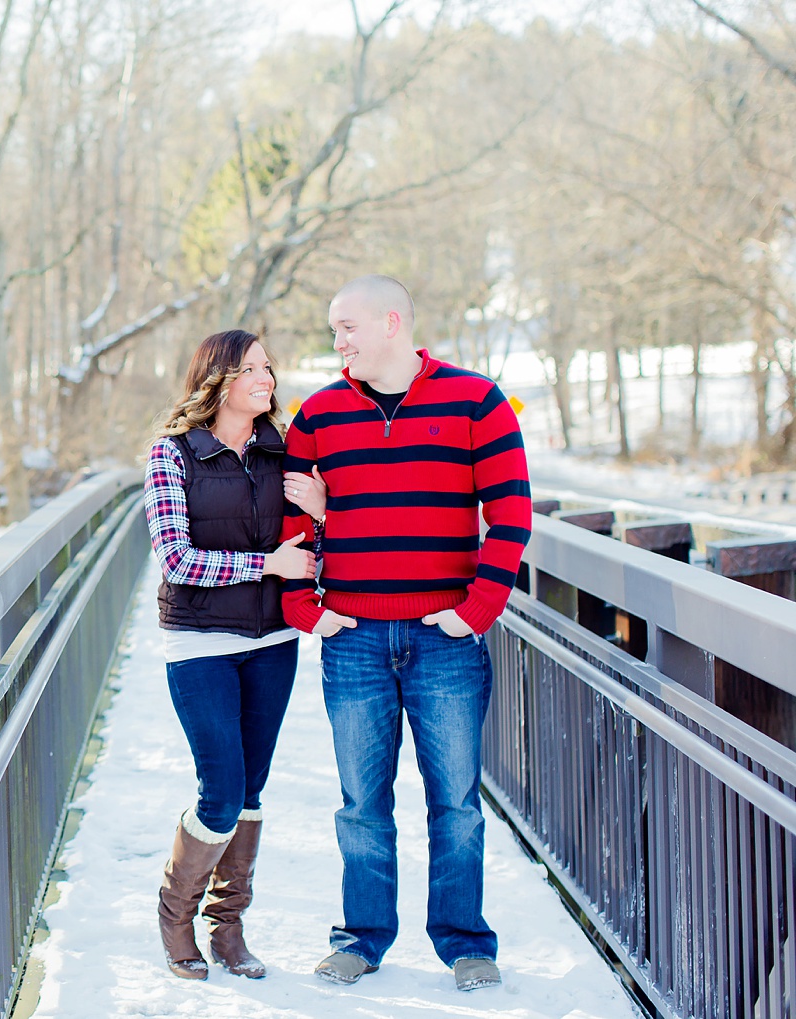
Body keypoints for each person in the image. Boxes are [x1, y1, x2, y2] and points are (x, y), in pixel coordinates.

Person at [279, 275, 531, 993]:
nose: (338, 342)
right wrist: (306, 606)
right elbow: (292, 520)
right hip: (353, 636)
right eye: (333, 330)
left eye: (347, 327)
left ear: (393, 322)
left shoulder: (476, 400)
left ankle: (465, 942)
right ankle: (361, 937)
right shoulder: (317, 415)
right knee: (362, 803)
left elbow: (511, 512)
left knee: (455, 802)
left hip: (444, 638)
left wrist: (476, 609)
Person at [144, 329, 326, 981]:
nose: (267, 377)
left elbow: (315, 551)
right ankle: (176, 914)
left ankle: (229, 927)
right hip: (200, 645)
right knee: (219, 788)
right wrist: (263, 564)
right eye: (251, 367)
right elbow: (176, 559)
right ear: (217, 378)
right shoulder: (173, 455)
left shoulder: (287, 454)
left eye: (269, 367)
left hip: (273, 643)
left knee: (250, 789)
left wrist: (325, 512)